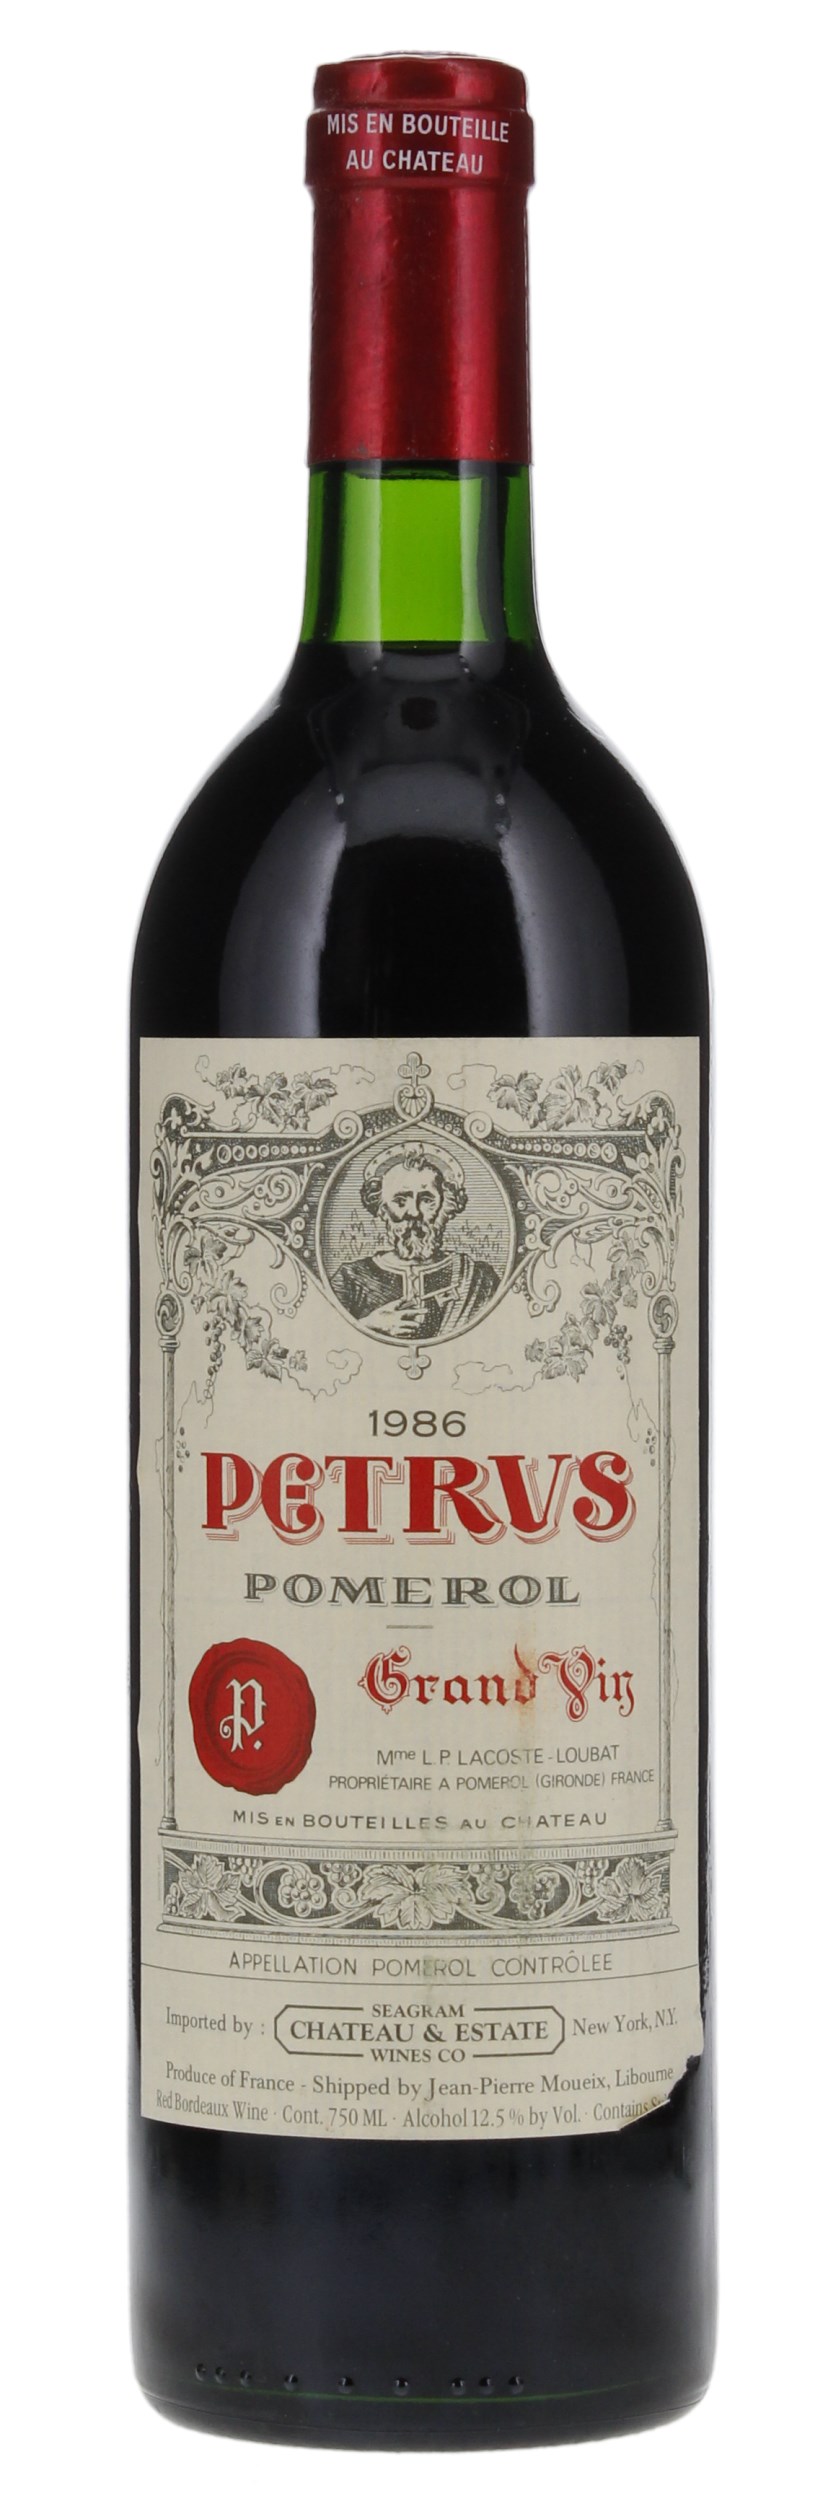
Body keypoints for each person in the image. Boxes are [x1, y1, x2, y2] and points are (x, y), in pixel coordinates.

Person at [330, 1143, 499, 1340]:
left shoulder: (479, 1278)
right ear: (382, 1209)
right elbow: (320, 1337)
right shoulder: (351, 1277)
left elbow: (501, 1336)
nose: (414, 1212)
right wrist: (369, 1325)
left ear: (446, 1206)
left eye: (427, 1200)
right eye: (400, 1201)